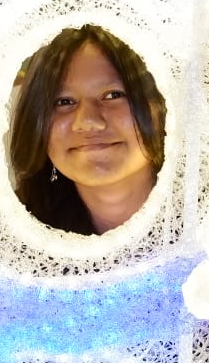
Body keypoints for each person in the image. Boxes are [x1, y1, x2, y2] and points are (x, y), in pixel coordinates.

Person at [9, 24, 167, 235]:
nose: (88, 121)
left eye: (113, 95)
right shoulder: (10, 246)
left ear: (163, 104)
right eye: (64, 101)